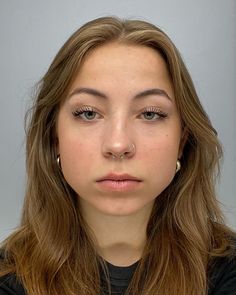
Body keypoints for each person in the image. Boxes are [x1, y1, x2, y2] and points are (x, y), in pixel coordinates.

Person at [0, 16, 235, 295]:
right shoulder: (9, 279)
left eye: (150, 113)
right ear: (54, 137)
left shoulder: (227, 272)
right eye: (88, 113)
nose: (118, 144)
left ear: (182, 140)